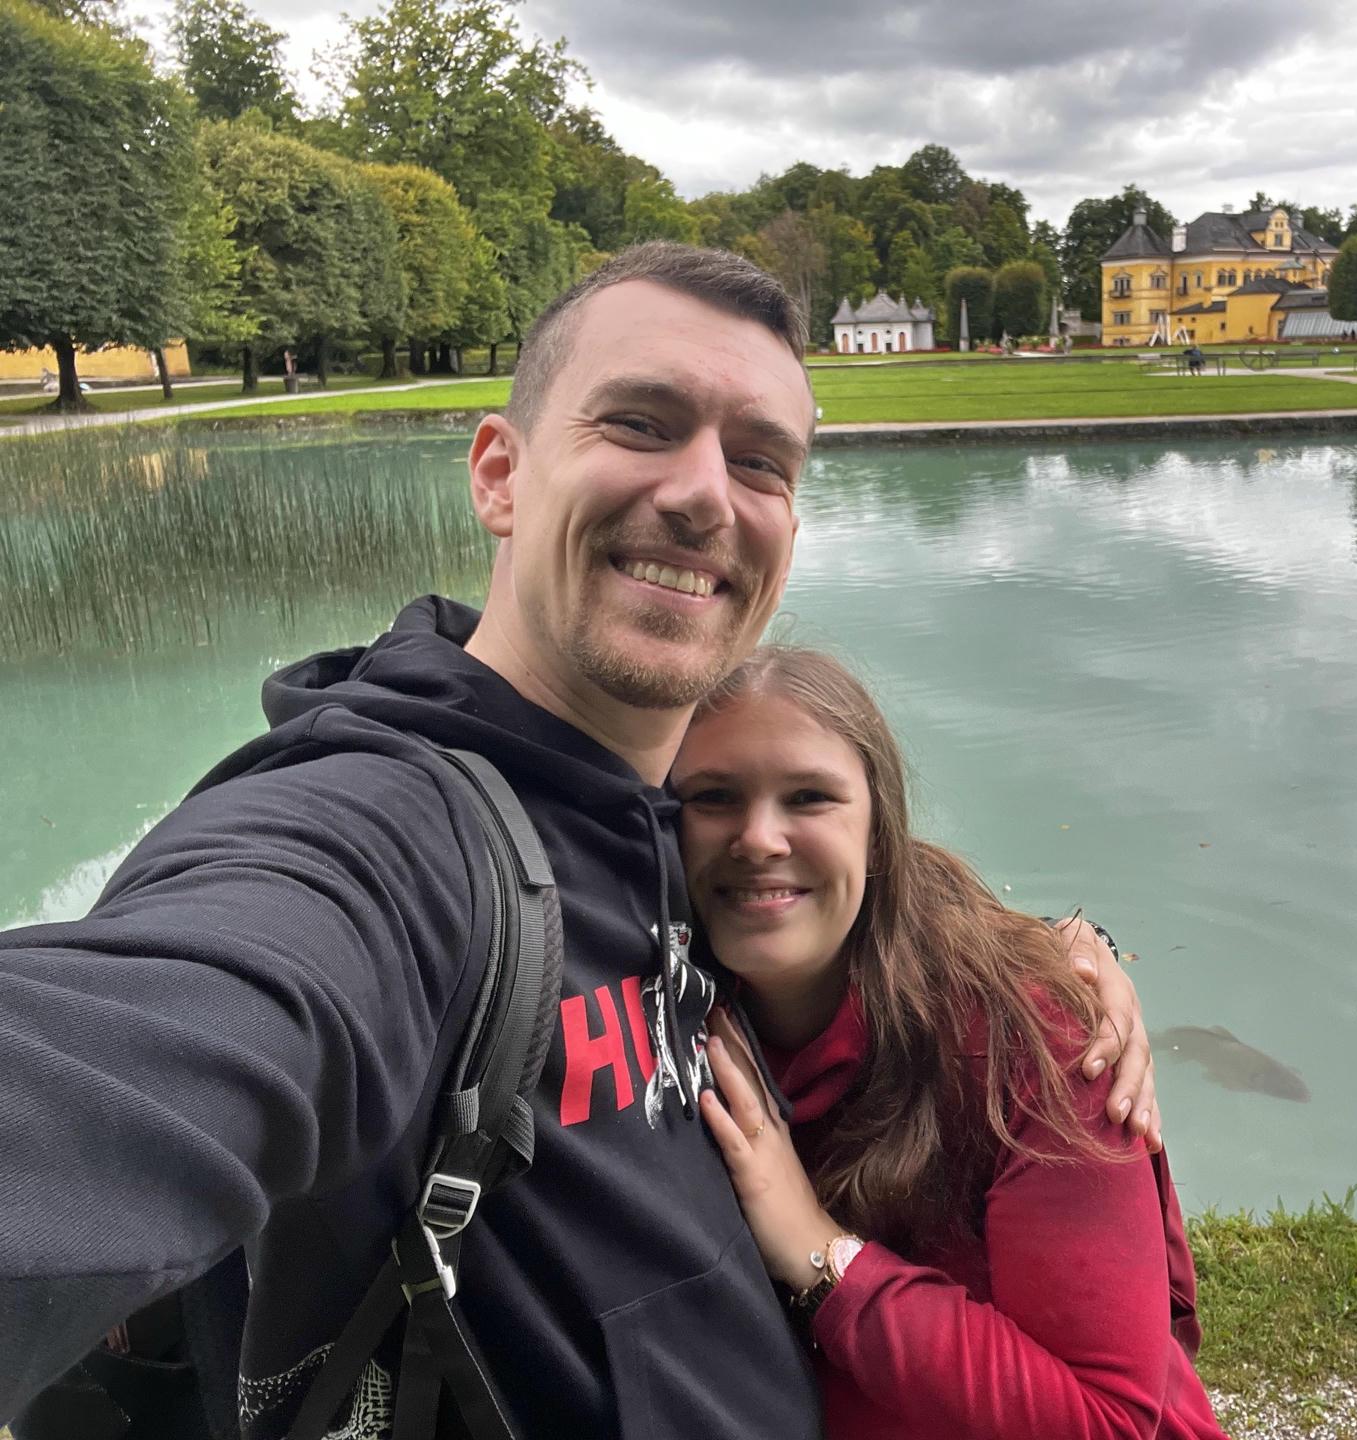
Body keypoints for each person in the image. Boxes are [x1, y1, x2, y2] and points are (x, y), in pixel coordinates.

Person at [0, 242, 1158, 1439]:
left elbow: (857, 877)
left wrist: (1062, 960)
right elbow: (147, 1044)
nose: (706, 494)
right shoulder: (385, 839)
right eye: (642, 424)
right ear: (500, 476)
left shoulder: (681, 811)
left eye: (761, 461)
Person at [672, 648, 1228, 1440]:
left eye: (809, 796)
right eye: (713, 796)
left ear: (879, 834)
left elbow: (1105, 1421)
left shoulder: (1035, 1038)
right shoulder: (656, 1001)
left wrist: (819, 1252)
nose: (759, 838)